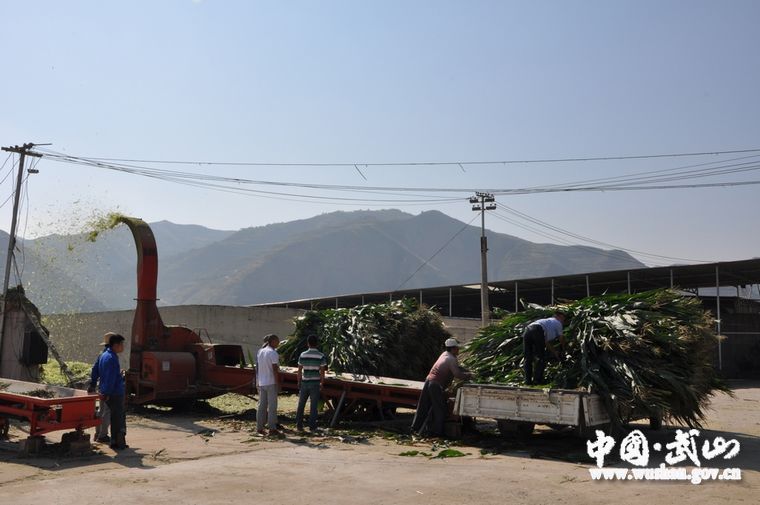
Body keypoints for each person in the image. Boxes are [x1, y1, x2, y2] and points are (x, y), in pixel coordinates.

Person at [411, 337, 471, 437]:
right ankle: (436, 432)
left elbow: (455, 368)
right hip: (436, 385)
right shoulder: (451, 359)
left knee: (423, 406)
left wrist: (465, 370)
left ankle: (415, 427)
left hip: (428, 380)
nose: (458, 350)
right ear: (453, 349)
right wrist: (469, 375)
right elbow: (457, 374)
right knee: (439, 409)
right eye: (457, 348)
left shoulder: (444, 354)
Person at [97, 333, 128, 450]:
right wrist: (108, 393)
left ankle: (112, 440)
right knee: (118, 418)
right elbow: (110, 378)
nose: (123, 347)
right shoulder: (111, 358)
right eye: (122, 344)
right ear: (116, 345)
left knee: (112, 416)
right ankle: (117, 442)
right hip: (114, 392)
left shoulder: (104, 355)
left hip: (107, 390)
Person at [522, 311, 567, 385]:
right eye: (563, 319)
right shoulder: (557, 322)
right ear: (558, 317)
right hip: (537, 330)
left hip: (527, 330)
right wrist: (564, 348)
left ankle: (527, 381)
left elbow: (546, 343)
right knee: (541, 357)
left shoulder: (547, 322)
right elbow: (561, 338)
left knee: (528, 357)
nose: (563, 322)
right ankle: (537, 380)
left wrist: (555, 352)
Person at [295, 334, 327, 432]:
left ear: (308, 343)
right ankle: (312, 426)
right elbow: (322, 372)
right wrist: (322, 383)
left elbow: (299, 371)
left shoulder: (303, 355)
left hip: (304, 382)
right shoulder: (321, 356)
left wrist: (299, 381)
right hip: (315, 383)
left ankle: (299, 425)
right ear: (317, 344)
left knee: (301, 404)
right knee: (313, 406)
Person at [88, 332, 115, 443]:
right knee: (107, 411)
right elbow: (110, 375)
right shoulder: (111, 356)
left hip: (101, 386)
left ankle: (97, 433)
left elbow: (95, 369)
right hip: (108, 387)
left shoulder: (102, 355)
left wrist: (93, 383)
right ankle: (103, 435)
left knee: (101, 410)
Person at [255, 334, 281, 435]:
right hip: (271, 382)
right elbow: (275, 369)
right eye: (277, 341)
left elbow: (258, 367)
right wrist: (277, 383)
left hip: (262, 382)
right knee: (272, 406)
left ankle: (259, 428)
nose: (278, 343)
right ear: (273, 341)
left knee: (261, 406)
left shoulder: (260, 351)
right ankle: (272, 428)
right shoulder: (273, 353)